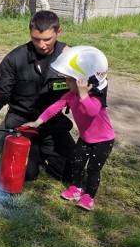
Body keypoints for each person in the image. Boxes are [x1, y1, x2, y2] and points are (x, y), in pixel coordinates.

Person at [0, 10, 75, 181]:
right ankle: (18, 146)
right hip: (20, 122)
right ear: (30, 33)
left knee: (72, 172)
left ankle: (41, 150)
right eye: (36, 39)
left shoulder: (70, 58)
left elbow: (94, 82)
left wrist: (78, 57)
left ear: (58, 32)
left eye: (47, 39)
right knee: (27, 173)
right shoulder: (15, 59)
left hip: (52, 123)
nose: (42, 45)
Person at [23, 46, 115, 211]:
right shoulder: (70, 96)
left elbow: (91, 112)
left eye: (71, 80)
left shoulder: (96, 98)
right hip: (85, 139)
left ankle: (88, 197)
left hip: (103, 141)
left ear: (84, 82)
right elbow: (54, 107)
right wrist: (38, 121)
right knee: (77, 164)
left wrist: (84, 95)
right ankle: (76, 188)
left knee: (93, 170)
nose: (67, 83)